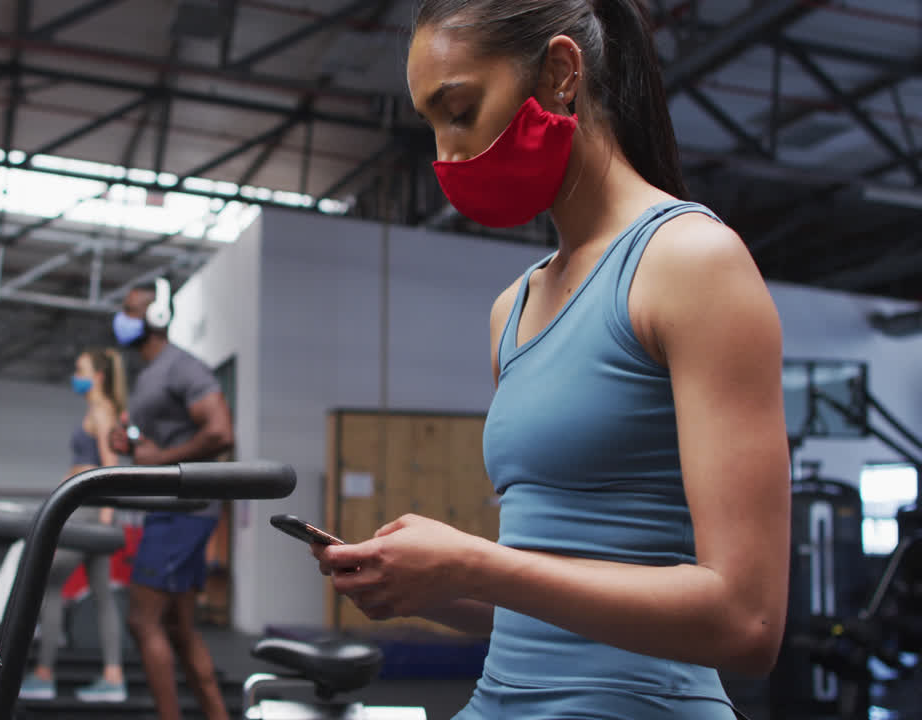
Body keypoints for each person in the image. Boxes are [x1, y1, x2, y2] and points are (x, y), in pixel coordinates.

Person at [312, 2, 791, 719]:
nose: (444, 155)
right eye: (432, 125)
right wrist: (430, 584)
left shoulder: (691, 262)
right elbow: (545, 596)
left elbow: (747, 624)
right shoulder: (514, 308)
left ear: (562, 73)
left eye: (460, 110)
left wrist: (475, 561)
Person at [108, 279, 235, 720]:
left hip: (183, 512)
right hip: (173, 508)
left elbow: (220, 431)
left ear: (156, 318)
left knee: (142, 621)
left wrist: (163, 459)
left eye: (131, 310)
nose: (122, 319)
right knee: (179, 629)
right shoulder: (151, 374)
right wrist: (130, 442)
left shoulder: (183, 367)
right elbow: (163, 436)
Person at [19, 348, 129, 702]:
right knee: (101, 594)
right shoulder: (97, 410)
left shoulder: (102, 410)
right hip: (87, 510)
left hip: (88, 512)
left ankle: (44, 673)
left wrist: (105, 521)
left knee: (50, 582)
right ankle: (113, 678)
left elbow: (110, 467)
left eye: (80, 369)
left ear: (98, 375)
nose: (75, 375)